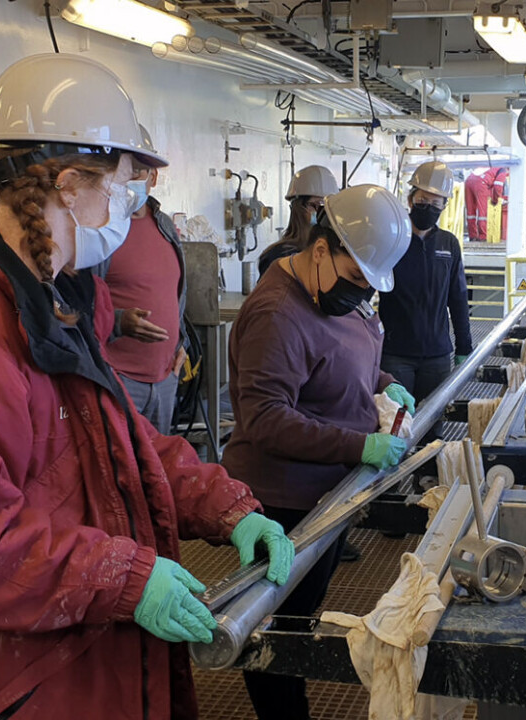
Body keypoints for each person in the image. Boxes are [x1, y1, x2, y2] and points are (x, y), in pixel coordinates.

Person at [0, 53, 293, 720]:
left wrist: (225, 505)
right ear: (69, 185)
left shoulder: (51, 298)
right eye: (121, 191)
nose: (127, 209)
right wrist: (123, 577)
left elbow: (118, 442)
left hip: (66, 663)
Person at [224, 184, 414, 720]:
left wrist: (384, 384)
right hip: (283, 503)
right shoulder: (277, 314)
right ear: (321, 248)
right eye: (355, 277)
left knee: (302, 612)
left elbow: (344, 359)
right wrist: (360, 444)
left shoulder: (334, 291)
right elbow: (266, 419)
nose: (360, 291)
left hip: (327, 491)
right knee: (276, 628)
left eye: (368, 284)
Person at [91, 125, 188, 435]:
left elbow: (176, 293)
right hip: (119, 378)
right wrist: (119, 322)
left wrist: (181, 342)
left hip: (164, 378)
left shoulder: (165, 227)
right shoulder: (101, 229)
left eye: (139, 171)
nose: (132, 178)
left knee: (159, 462)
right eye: (126, 170)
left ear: (153, 178)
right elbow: (79, 301)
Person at [378, 160, 473, 409]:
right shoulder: (393, 239)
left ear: (444, 205)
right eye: (422, 200)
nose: (428, 207)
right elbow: (366, 288)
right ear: (411, 200)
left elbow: (458, 298)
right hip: (395, 354)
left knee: (434, 422)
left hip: (437, 355)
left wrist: (464, 346)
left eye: (435, 202)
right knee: (395, 420)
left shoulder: (448, 244)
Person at [257, 164, 339, 275]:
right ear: (298, 208)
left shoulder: (335, 253)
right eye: (314, 205)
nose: (321, 212)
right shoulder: (279, 256)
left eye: (326, 206)